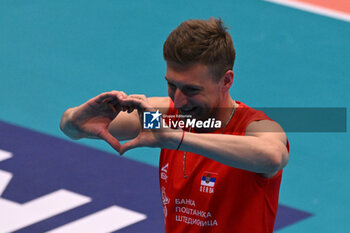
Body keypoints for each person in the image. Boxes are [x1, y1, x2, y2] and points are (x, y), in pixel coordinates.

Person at [60, 18, 289, 233]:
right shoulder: (162, 117)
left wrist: (176, 138)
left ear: (226, 81)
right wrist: (76, 120)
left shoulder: (253, 126)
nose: (178, 100)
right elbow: (73, 127)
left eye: (192, 90)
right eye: (171, 85)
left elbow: (272, 156)